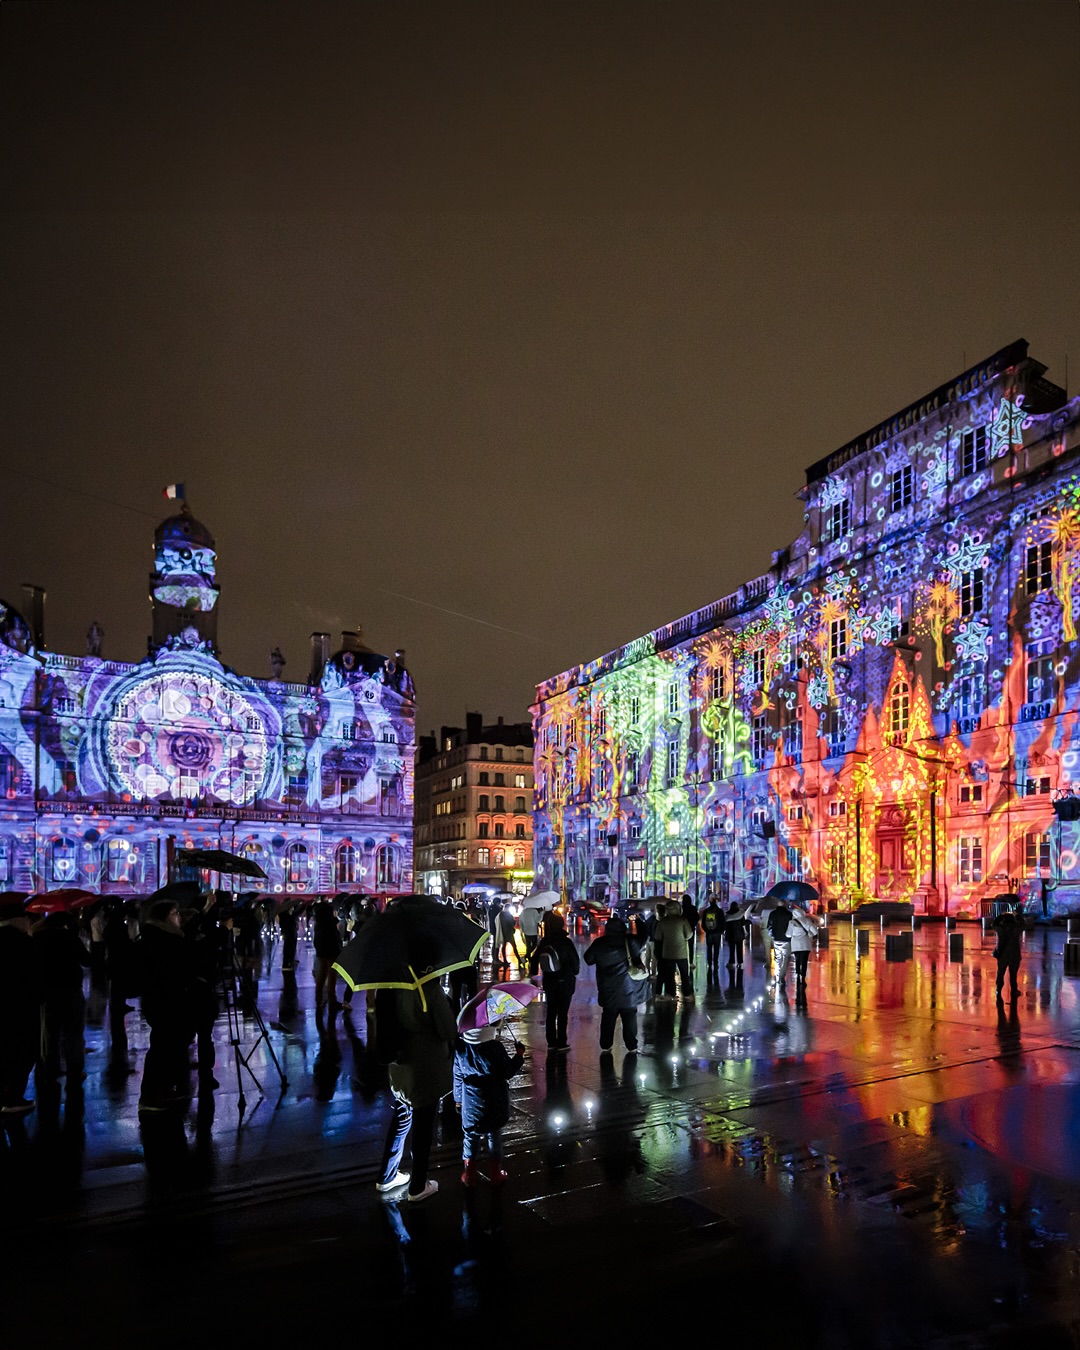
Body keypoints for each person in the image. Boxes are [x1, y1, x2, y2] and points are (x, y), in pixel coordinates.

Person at [374, 981, 457, 1202]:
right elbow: (448, 1027)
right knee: (424, 1122)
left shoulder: (387, 983)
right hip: (424, 1064)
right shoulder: (425, 985)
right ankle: (418, 1185)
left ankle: (387, 1175)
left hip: (400, 1066)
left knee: (402, 1114)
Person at [137, 899, 197, 1112]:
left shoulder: (154, 936)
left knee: (165, 1045)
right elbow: (183, 965)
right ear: (165, 917)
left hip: (159, 1000)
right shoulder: (165, 940)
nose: (178, 917)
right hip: (166, 1000)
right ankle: (151, 1095)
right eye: (175, 913)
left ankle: (159, 1090)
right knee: (163, 1047)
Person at [453, 1022, 524, 1186]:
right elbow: (507, 1071)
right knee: (494, 1135)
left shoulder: (462, 1047)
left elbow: (457, 1076)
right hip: (495, 1101)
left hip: (470, 1101)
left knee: (470, 1136)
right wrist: (519, 1056)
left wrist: (458, 1101)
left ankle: (469, 1174)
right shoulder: (494, 1047)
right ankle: (496, 1172)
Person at [34, 910, 90, 1091]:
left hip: (47, 992)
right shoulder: (70, 938)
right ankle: (75, 1070)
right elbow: (87, 960)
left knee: (50, 1035)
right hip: (71, 990)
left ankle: (50, 1069)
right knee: (73, 1034)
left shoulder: (37, 938)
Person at [0, 896, 40, 1114]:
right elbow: (35, 976)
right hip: (22, 1007)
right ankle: (13, 1097)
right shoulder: (24, 943)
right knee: (23, 1051)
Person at [583, 915, 646, 1052]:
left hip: (608, 988)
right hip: (628, 989)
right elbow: (644, 936)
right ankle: (631, 1045)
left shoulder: (600, 943)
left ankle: (606, 1044)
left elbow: (588, 959)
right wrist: (638, 921)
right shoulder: (631, 942)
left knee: (608, 1016)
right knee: (629, 1016)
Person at [529, 910, 580, 1050]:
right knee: (563, 1013)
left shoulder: (545, 941)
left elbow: (534, 960)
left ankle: (551, 1042)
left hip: (550, 982)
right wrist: (574, 972)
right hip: (566, 982)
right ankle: (562, 1042)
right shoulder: (566, 942)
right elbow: (576, 963)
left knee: (551, 1012)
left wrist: (534, 975)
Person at [653, 900, 694, 1001]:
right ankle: (687, 994)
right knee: (684, 974)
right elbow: (689, 934)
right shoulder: (682, 920)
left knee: (669, 975)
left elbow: (657, 937)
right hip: (681, 953)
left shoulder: (662, 922)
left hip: (667, 953)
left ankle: (671, 994)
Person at [991, 897, 1024, 999]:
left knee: (1000, 972)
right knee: (1013, 975)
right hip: (1014, 955)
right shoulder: (1016, 929)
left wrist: (1001, 915)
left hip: (1003, 954)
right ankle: (1014, 991)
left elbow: (994, 923)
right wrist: (1016, 915)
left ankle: (998, 989)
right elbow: (1024, 924)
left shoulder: (1001, 929)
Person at [312, 902, 342, 1010]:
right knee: (332, 975)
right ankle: (332, 999)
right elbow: (335, 938)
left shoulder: (318, 924)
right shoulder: (330, 924)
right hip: (331, 951)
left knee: (322, 974)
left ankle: (319, 999)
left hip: (321, 951)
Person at [788, 905, 818, 986]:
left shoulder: (791, 922)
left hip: (796, 945)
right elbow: (815, 932)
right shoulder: (807, 921)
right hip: (806, 944)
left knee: (797, 960)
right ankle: (803, 977)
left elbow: (788, 935)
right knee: (804, 961)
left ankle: (797, 975)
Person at [767, 901, 793, 987]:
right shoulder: (789, 914)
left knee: (778, 958)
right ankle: (782, 975)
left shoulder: (773, 914)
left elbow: (769, 926)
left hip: (776, 938)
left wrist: (772, 935)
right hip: (786, 939)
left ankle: (778, 976)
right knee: (785, 958)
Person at [701, 896, 726, 980]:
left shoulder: (706, 911)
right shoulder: (719, 911)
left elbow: (703, 923)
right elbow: (723, 921)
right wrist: (722, 930)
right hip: (717, 933)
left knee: (709, 948)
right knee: (716, 948)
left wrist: (706, 930)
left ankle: (709, 963)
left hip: (709, 933)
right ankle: (715, 963)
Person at [724, 902, 747, 968]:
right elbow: (743, 924)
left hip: (730, 934)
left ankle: (731, 962)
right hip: (739, 934)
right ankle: (740, 962)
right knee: (739, 949)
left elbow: (725, 925)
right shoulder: (740, 914)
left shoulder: (728, 915)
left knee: (731, 949)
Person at [277, 904, 298, 972]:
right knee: (289, 948)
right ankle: (287, 963)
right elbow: (297, 913)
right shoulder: (287, 916)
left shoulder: (283, 915)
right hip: (290, 933)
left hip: (288, 933)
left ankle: (288, 961)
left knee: (288, 947)